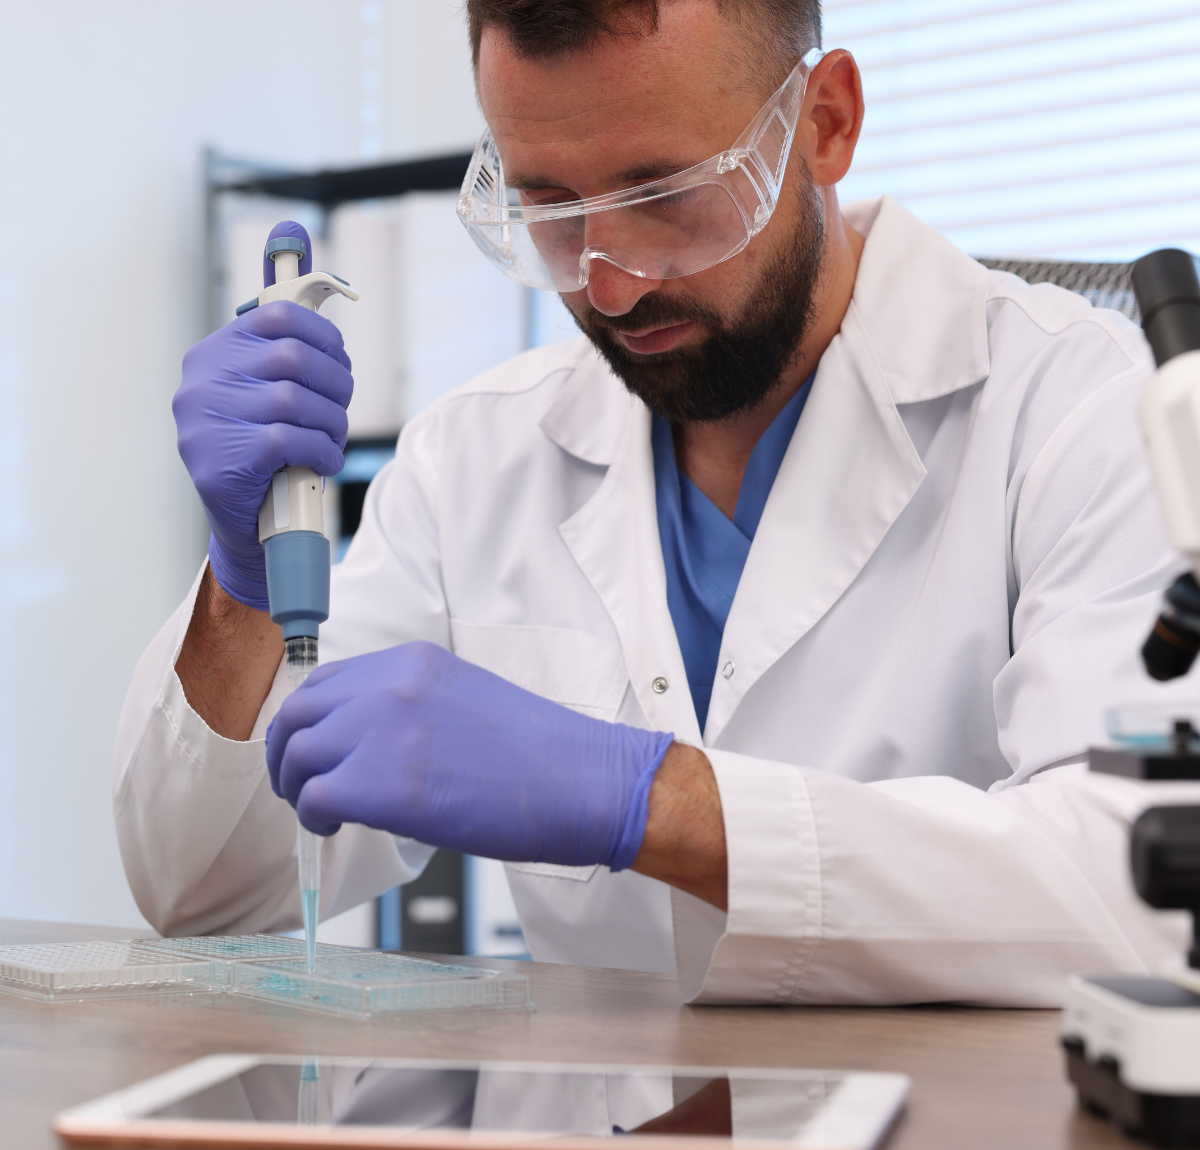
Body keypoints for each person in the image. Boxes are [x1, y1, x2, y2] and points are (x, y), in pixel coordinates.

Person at [114, 0, 1191, 1005]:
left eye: (664, 197)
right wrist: (245, 587)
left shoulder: (1092, 410)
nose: (611, 283)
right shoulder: (474, 457)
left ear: (825, 123)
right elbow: (210, 897)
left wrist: (653, 801)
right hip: (582, 1125)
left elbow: (1147, 899)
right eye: (550, 208)